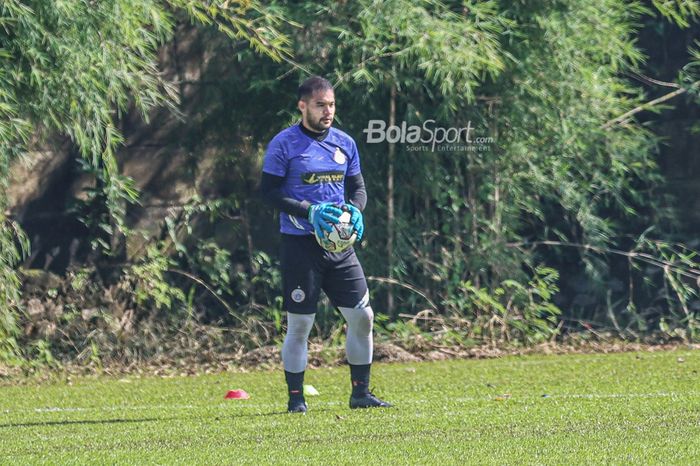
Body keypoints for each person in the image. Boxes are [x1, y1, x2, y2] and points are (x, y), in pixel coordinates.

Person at [259, 76, 392, 413]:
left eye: (331, 104)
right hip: (300, 246)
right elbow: (269, 192)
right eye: (320, 105)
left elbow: (358, 187)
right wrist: (309, 211)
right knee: (301, 324)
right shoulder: (284, 144)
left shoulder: (345, 143)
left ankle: (360, 393)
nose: (327, 111)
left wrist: (356, 210)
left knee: (363, 317)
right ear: (302, 106)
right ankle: (296, 400)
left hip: (339, 247)